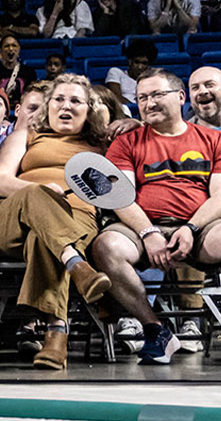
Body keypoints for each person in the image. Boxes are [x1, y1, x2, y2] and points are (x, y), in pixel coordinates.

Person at [0, 74, 116, 370]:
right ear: (48, 105)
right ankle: (77, 266)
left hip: (76, 219)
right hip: (11, 220)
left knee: (44, 238)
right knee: (37, 196)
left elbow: (116, 188)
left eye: (75, 101)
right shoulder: (27, 135)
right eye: (59, 99)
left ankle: (56, 337)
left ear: (89, 110)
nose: (65, 106)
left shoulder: (100, 145)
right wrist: (40, 191)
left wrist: (130, 124)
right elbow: (0, 182)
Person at [88, 73, 221, 363]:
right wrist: (149, 233)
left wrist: (190, 227)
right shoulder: (126, 143)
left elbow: (220, 195)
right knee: (106, 246)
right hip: (141, 228)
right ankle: (155, 329)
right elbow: (120, 196)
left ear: (181, 97)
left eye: (157, 95)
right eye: (142, 98)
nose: (149, 103)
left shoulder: (214, 139)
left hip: (201, 228)